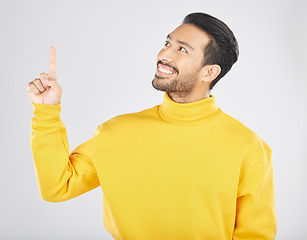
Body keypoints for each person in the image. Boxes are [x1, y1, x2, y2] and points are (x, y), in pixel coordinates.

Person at [28, 12, 277, 240]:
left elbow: (255, 235)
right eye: (168, 43)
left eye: (182, 49)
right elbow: (57, 187)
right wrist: (47, 111)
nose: (164, 54)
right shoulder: (116, 132)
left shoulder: (248, 148)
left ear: (209, 72)